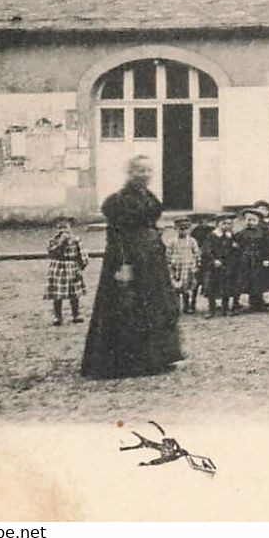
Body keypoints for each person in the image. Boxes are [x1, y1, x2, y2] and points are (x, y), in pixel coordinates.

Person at [81, 155, 183, 378]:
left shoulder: (149, 197)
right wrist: (123, 265)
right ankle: (130, 362)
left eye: (148, 170)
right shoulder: (119, 201)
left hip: (151, 260)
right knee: (129, 306)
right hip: (129, 258)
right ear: (130, 173)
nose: (145, 175)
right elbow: (117, 236)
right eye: (139, 171)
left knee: (155, 304)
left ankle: (158, 357)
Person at [45, 214, 88, 326]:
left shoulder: (76, 240)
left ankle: (76, 314)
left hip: (72, 267)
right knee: (57, 294)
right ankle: (57, 316)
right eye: (60, 228)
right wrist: (60, 243)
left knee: (74, 293)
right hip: (58, 268)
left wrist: (81, 267)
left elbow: (83, 255)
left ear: (70, 228)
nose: (63, 231)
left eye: (66, 228)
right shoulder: (53, 241)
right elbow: (50, 253)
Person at [201, 211, 239, 316]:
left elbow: (234, 251)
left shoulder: (230, 236)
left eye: (229, 224)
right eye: (224, 223)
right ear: (218, 224)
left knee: (226, 287)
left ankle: (225, 309)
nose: (226, 226)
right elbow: (206, 251)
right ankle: (211, 310)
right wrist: (213, 260)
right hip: (214, 266)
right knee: (212, 288)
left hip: (227, 266)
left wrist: (235, 247)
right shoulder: (212, 236)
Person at [165, 216, 202, 314]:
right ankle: (178, 306)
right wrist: (169, 266)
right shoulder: (172, 242)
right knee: (177, 287)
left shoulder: (192, 241)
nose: (183, 231)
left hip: (189, 267)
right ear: (176, 229)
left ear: (189, 229)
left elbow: (196, 253)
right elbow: (168, 255)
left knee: (189, 287)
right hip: (177, 267)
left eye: (186, 229)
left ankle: (190, 305)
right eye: (181, 229)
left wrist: (197, 264)